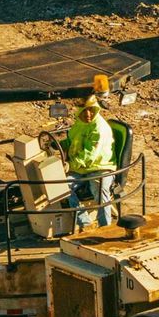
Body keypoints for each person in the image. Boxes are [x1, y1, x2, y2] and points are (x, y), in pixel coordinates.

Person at [63, 87, 118, 229]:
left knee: (99, 189)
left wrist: (70, 164)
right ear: (79, 110)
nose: (88, 114)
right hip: (81, 169)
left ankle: (105, 228)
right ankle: (84, 223)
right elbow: (72, 140)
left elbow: (90, 154)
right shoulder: (79, 124)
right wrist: (55, 144)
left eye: (91, 110)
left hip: (101, 167)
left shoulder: (99, 128)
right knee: (61, 187)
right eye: (85, 110)